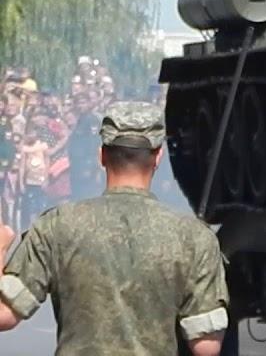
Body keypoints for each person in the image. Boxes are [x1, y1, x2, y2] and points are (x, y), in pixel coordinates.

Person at [0, 101, 230, 355]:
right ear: (158, 157)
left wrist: (1, 247)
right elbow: (206, 346)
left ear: (101, 156)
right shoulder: (193, 237)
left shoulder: (56, 225)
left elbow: (3, 315)